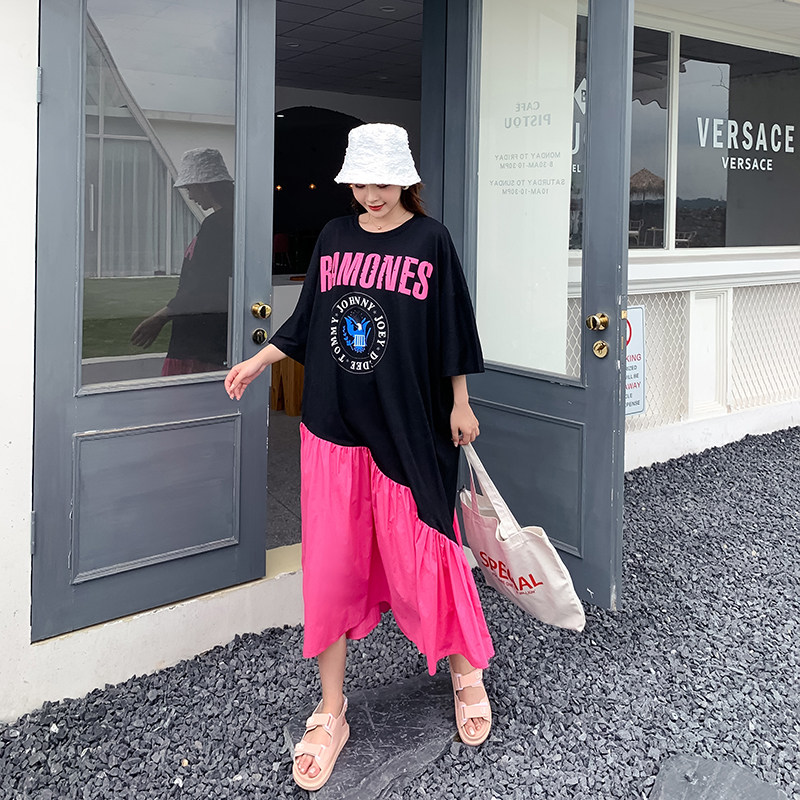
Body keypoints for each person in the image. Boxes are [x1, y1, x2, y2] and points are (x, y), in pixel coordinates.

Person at [224, 124, 494, 791]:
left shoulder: (430, 241)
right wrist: (260, 360)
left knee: (428, 548)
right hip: (334, 428)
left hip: (408, 425)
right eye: (361, 182)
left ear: (405, 180)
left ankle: (465, 670)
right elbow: (307, 321)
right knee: (332, 567)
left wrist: (460, 402)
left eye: (384, 182)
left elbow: (453, 328)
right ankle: (331, 709)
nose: (372, 194)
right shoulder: (334, 237)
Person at [131, 147, 234, 375]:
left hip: (201, 340)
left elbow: (202, 285)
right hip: (208, 334)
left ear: (204, 185)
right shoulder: (227, 221)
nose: (190, 196)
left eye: (190, 188)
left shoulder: (218, 225)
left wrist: (159, 318)